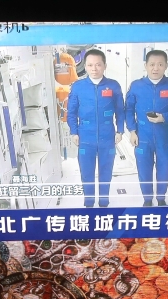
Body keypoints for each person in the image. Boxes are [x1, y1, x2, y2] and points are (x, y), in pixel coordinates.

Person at [67, 49, 124, 207]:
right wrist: (74, 132)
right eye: (90, 65)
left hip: (108, 136)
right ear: (85, 66)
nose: (94, 68)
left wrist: (120, 130)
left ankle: (104, 202)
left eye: (98, 64)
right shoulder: (78, 87)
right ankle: (89, 203)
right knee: (87, 172)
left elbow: (120, 110)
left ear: (105, 65)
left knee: (106, 171)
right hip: (85, 137)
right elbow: (71, 113)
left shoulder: (113, 86)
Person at [125, 50, 168, 206]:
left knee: (164, 170)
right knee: (144, 170)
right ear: (145, 66)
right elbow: (128, 110)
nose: (155, 68)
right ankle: (147, 200)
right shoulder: (136, 86)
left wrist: (165, 117)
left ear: (166, 66)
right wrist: (132, 131)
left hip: (166, 137)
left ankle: (161, 198)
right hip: (142, 136)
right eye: (152, 64)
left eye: (160, 64)